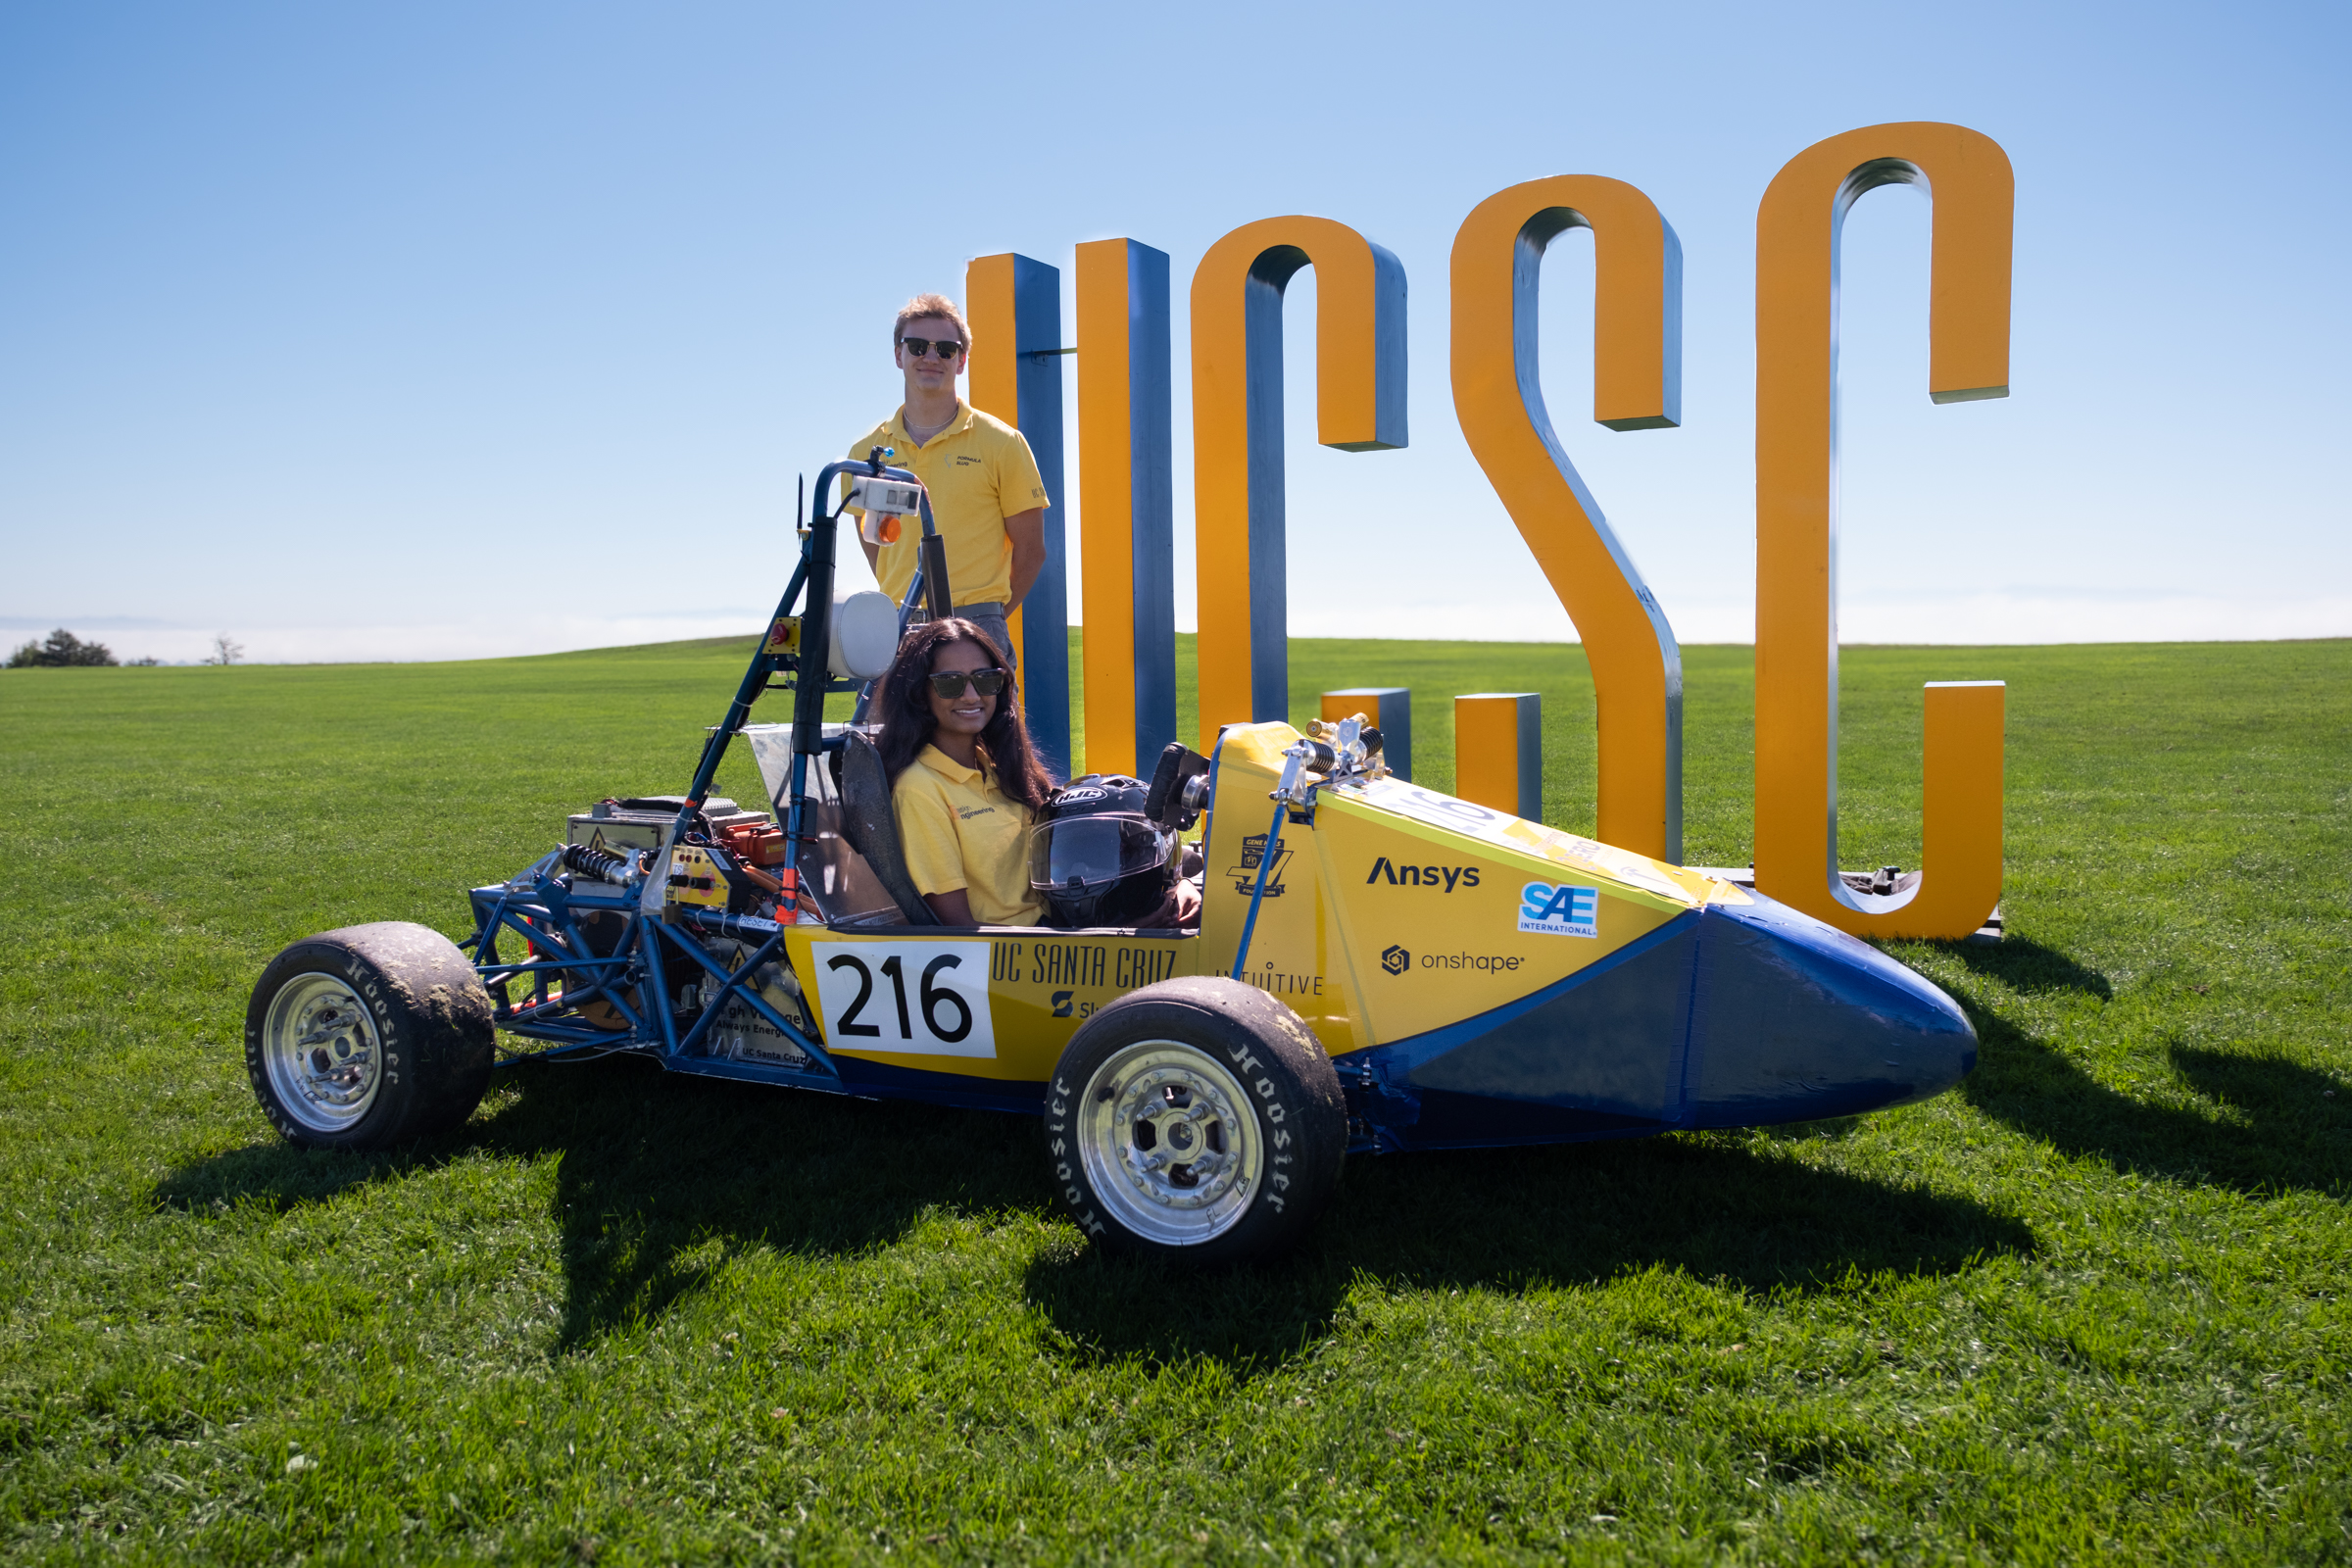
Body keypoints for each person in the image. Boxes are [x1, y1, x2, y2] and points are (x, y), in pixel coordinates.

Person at [878, 619, 1200, 931]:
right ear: (920, 693)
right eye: (950, 682)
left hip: (1070, 927)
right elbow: (959, 929)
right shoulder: (919, 789)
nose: (972, 696)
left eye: (986, 679)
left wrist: (1176, 887)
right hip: (1026, 956)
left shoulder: (999, 767)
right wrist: (1110, 939)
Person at [849, 293, 1049, 672]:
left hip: (977, 622)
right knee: (893, 733)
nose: (931, 357)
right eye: (918, 346)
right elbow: (871, 539)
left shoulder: (1002, 443)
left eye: (945, 349)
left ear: (961, 361)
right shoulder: (866, 451)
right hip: (896, 623)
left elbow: (1032, 549)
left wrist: (990, 616)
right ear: (898, 355)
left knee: (983, 732)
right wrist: (901, 597)